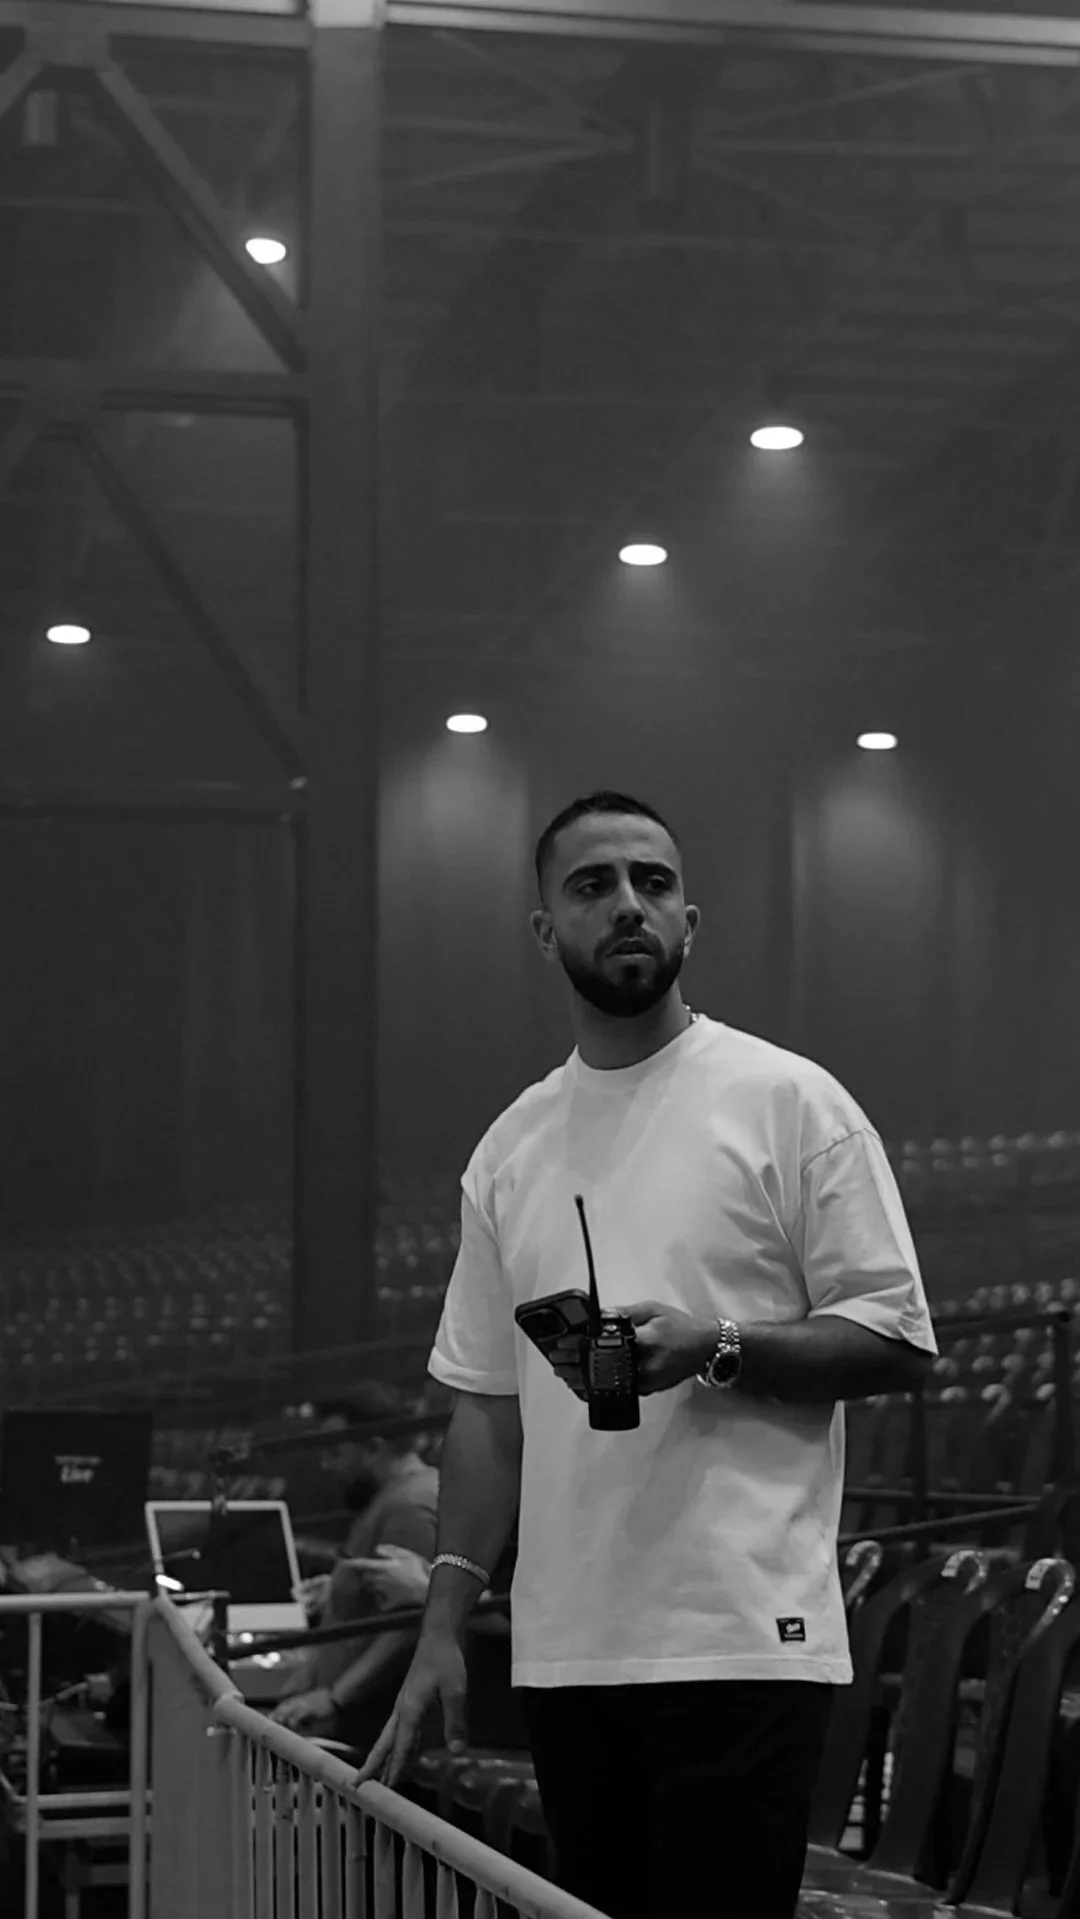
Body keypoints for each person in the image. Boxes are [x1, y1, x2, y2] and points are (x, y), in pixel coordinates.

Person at [353, 789, 937, 1919]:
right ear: (544, 931)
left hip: (737, 1630)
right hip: (569, 1647)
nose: (628, 904)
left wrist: (717, 1343)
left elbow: (898, 1339)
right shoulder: (510, 1148)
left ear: (689, 920)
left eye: (652, 882)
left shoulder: (788, 1101)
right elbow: (486, 1410)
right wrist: (437, 1628)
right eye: (593, 884)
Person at [272, 1382, 440, 1749]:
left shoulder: (408, 1506)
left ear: (374, 1448)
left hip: (369, 1728)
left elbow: (408, 1623)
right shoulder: (393, 1500)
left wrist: (335, 1697)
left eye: (335, 1452)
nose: (326, 1464)